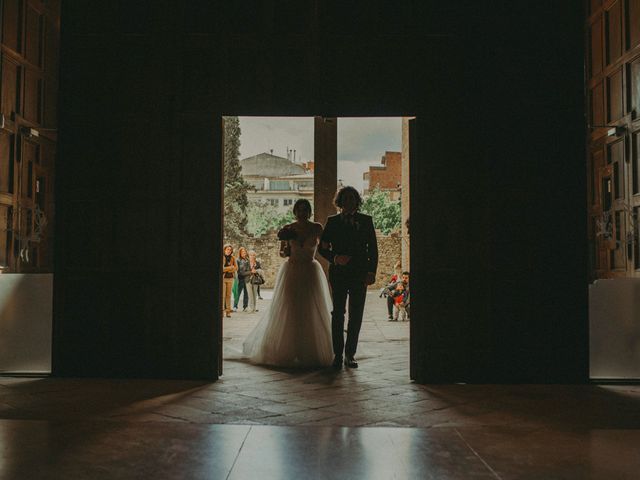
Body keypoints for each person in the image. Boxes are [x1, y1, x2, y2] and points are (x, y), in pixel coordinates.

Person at [243, 199, 333, 367]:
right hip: (291, 270)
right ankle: (289, 349)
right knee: (290, 307)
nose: (302, 212)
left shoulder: (316, 228)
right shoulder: (288, 229)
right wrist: (285, 247)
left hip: (310, 270)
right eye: (299, 209)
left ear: (309, 211)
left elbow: (326, 246)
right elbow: (282, 253)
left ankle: (311, 349)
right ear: (295, 211)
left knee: (311, 307)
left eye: (305, 209)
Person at [319, 186, 378, 369]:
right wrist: (335, 258)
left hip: (360, 274)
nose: (349, 201)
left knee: (356, 314)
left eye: (353, 198)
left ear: (357, 201)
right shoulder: (333, 221)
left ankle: (350, 354)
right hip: (339, 274)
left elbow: (373, 249)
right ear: (340, 201)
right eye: (346, 198)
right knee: (338, 314)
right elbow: (322, 248)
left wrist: (371, 272)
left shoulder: (366, 221)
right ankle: (338, 354)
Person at [222, 244, 237, 318]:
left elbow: (236, 268)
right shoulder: (222, 257)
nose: (229, 251)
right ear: (224, 250)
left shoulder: (233, 258)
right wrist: (230, 267)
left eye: (230, 250)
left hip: (230, 278)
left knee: (228, 295)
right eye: (227, 249)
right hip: (223, 278)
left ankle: (228, 311)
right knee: (223, 295)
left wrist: (230, 269)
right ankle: (221, 311)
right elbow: (222, 269)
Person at [234, 247, 250, 312]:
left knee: (246, 293)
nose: (244, 253)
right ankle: (235, 306)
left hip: (247, 279)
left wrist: (249, 272)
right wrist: (249, 272)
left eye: (244, 252)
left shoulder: (248, 260)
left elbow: (250, 269)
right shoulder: (237, 260)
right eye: (242, 252)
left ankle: (245, 306)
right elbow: (239, 272)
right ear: (240, 253)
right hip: (240, 279)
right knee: (238, 293)